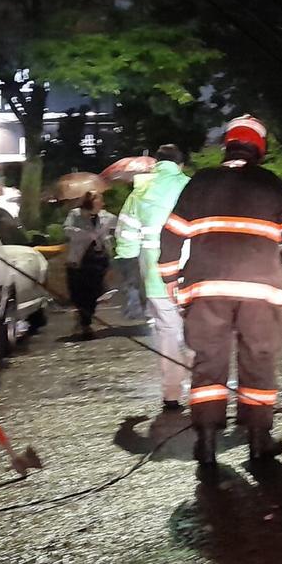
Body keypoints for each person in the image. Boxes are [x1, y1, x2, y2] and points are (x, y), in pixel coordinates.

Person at [158, 115, 282, 465]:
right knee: (258, 359)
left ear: (227, 145)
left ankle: (207, 443)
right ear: (259, 148)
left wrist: (169, 278)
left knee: (208, 362)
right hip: (260, 289)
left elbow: (170, 233)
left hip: (206, 288)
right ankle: (259, 440)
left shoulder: (202, 181)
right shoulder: (269, 182)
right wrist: (281, 253)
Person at [115, 145, 193, 410]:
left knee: (167, 333)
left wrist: (129, 265)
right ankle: (203, 391)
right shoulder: (193, 188)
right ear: (181, 164)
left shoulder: (141, 192)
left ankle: (172, 394)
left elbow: (125, 236)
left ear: (157, 164)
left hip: (155, 275)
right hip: (194, 273)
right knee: (199, 331)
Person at [64, 191, 116, 340]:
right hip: (80, 259)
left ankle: (86, 321)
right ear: (90, 202)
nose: (101, 203)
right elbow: (67, 230)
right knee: (80, 293)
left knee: (94, 291)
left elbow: (118, 228)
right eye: (98, 200)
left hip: (98, 258)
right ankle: (84, 320)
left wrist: (109, 239)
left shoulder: (107, 217)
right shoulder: (75, 214)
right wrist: (84, 234)